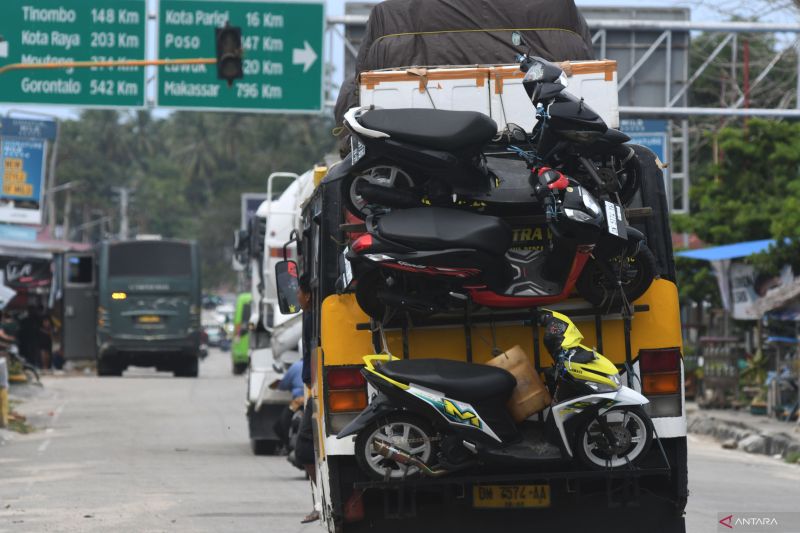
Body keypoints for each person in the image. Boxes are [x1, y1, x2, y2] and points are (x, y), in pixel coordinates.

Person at [294, 274, 319, 524]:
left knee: (303, 450)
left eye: (298, 292)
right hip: (313, 387)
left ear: (308, 294)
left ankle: (320, 502)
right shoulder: (311, 315)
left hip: (317, 390)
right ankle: (320, 502)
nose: (296, 296)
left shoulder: (314, 318)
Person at [270, 358, 305, 451]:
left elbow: (283, 384)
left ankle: (287, 445)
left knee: (282, 422)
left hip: (299, 401)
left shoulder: (296, 366)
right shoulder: (317, 363)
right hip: (314, 400)